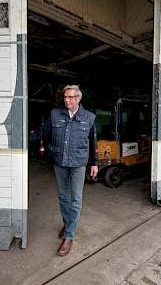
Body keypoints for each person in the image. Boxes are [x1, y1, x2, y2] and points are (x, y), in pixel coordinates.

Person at [47, 85, 98, 256]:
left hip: (78, 164)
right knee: (63, 198)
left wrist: (95, 163)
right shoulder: (55, 114)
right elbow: (44, 133)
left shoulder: (89, 118)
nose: (66, 100)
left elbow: (93, 142)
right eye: (65, 97)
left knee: (75, 199)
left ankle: (69, 236)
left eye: (70, 97)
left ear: (78, 98)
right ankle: (69, 223)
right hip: (59, 162)